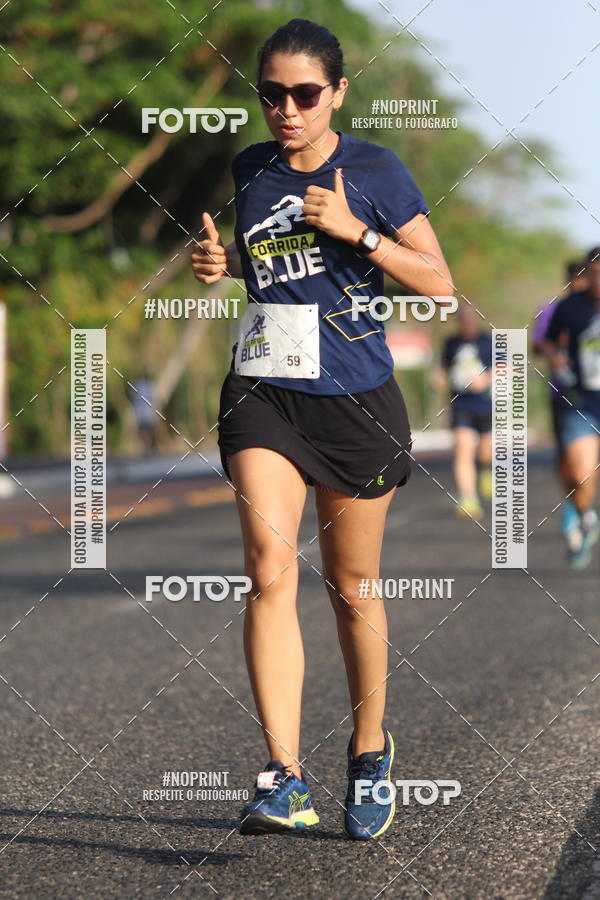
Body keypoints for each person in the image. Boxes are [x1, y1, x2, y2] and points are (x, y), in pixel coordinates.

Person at [192, 18, 453, 839]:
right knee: (270, 570)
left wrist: (360, 232)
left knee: (351, 589)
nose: (288, 110)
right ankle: (284, 775)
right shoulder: (251, 169)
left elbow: (440, 285)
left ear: (338, 92)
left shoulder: (376, 170)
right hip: (265, 391)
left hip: (354, 400)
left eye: (305, 94)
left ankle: (371, 751)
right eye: (271, 94)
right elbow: (272, 259)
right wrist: (225, 265)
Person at [542, 247, 600, 569]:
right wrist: (555, 358)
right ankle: (585, 516)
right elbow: (548, 341)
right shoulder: (569, 307)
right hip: (583, 401)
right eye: (594, 275)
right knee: (580, 473)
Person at [532, 261, 588, 542]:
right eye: (575, 280)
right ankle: (574, 505)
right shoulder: (554, 308)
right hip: (562, 393)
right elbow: (538, 343)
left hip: (593, 394)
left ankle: (584, 505)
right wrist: (553, 354)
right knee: (567, 457)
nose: (580, 285)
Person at [435, 303, 493, 520]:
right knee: (463, 449)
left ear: (477, 320)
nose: (467, 324)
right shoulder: (451, 343)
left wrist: (486, 379)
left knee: (485, 452)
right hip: (461, 405)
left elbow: (507, 366)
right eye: (463, 320)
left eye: (471, 319)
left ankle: (486, 469)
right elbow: (443, 366)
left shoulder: (488, 341)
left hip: (486, 405)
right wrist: (439, 378)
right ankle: (468, 498)